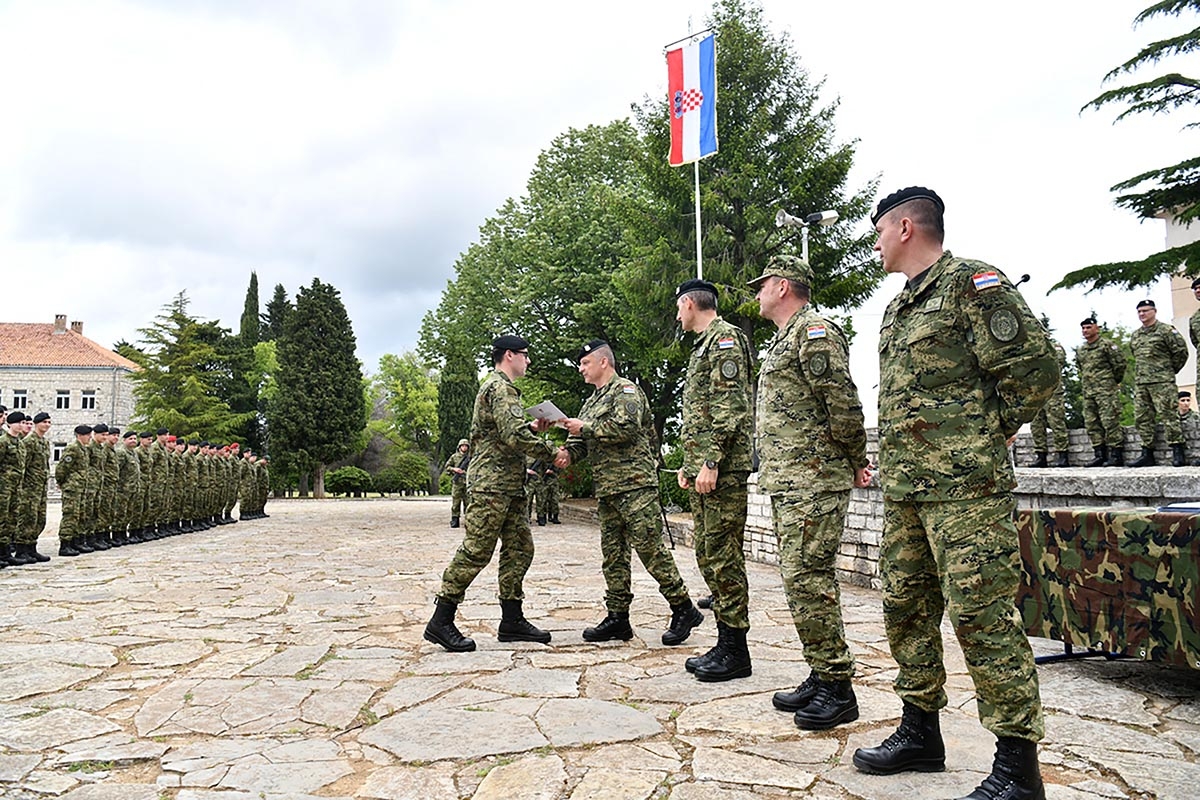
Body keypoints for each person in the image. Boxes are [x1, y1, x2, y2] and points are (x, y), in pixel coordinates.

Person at [852, 187, 1057, 800]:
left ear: (906, 228)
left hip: (966, 492)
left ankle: (1018, 769)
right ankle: (920, 732)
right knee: (906, 609)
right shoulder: (898, 307)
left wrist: (986, 431)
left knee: (982, 618)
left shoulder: (973, 283)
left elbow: (1037, 370)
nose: (876, 244)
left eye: (879, 232)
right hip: (907, 491)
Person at [749, 255, 872, 730]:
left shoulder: (814, 332)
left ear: (783, 286)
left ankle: (838, 688)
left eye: (762, 284)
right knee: (800, 580)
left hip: (815, 479)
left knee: (810, 579)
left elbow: (842, 402)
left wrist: (857, 458)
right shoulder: (786, 337)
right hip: (792, 480)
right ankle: (822, 674)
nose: (757, 293)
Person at [556, 339, 703, 649]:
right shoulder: (591, 402)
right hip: (608, 488)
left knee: (650, 549)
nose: (580, 369)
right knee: (613, 555)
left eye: (585, 363)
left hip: (635, 485)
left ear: (603, 362)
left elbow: (626, 428)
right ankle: (618, 617)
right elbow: (582, 443)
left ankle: (683, 608)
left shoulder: (626, 391)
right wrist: (565, 454)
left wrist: (585, 428)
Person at [424, 335, 558, 652]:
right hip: (491, 485)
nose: (528, 361)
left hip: (509, 486)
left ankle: (512, 620)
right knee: (477, 550)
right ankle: (441, 620)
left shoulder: (502, 388)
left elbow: (505, 432)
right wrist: (553, 452)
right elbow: (513, 436)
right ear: (509, 355)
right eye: (525, 355)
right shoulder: (500, 388)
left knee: (520, 548)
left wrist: (533, 429)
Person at [675, 278, 755, 682]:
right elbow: (702, 415)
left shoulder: (725, 340)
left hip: (722, 470)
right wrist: (690, 466)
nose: (677, 316)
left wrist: (711, 461)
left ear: (690, 303)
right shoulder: (702, 346)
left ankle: (736, 649)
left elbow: (730, 407)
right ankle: (726, 642)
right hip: (705, 470)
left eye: (679, 307)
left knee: (724, 556)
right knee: (708, 553)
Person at [1128, 299, 1188, 466]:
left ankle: (1177, 451)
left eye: (1145, 311)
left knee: (1169, 415)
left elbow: (1181, 352)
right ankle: (1147, 453)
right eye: (1139, 311)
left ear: (1154, 311)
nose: (1142, 314)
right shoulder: (1136, 335)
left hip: (1162, 381)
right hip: (1142, 382)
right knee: (1142, 417)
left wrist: (1168, 370)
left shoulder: (1166, 331)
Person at [1076, 317, 1127, 467]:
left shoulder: (1107, 345)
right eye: (1083, 328)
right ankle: (1099, 454)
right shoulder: (1081, 350)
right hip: (1089, 391)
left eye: (1088, 327)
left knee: (1109, 420)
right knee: (1091, 422)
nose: (1085, 330)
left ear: (1097, 328)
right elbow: (1081, 368)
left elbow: (1119, 365)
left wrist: (1113, 381)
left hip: (1106, 390)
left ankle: (1116, 454)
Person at [1026, 337, 1070, 468]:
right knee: (1036, 424)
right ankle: (1041, 456)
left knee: (1056, 422)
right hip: (1036, 390)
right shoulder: (1029, 347)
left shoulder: (1055, 346)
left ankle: (1062, 454)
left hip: (1053, 391)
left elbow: (1056, 362)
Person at [14, 411, 52, 563]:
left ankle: (31, 548)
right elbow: (23, 464)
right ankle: (21, 550)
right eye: (44, 422)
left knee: (39, 518)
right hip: (29, 487)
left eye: (49, 422)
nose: (47, 425)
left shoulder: (44, 442)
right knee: (27, 517)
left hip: (40, 487)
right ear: (36, 423)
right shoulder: (29, 442)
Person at [56, 425, 94, 557]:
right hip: (72, 488)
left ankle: (75, 542)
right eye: (88, 435)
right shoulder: (73, 448)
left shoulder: (83, 449)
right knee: (70, 515)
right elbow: (62, 468)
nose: (90, 437)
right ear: (79, 435)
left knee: (79, 515)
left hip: (81, 487)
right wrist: (62, 482)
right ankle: (65, 544)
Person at [0, 411, 26, 566]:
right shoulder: (3, 441)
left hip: (16, 487)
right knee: (1, 519)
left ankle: (5, 553)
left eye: (23, 422)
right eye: (19, 423)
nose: (21, 425)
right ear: (10, 424)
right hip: (3, 487)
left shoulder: (20, 443)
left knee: (11, 519)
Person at [443, 438, 471, 527]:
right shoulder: (454, 457)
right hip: (457, 482)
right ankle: (455, 520)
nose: (464, 447)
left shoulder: (470, 457)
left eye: (466, 446)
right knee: (456, 502)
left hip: (467, 482)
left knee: (468, 502)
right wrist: (455, 469)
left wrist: (466, 473)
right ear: (459, 447)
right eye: (463, 446)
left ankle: (468, 520)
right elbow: (447, 467)